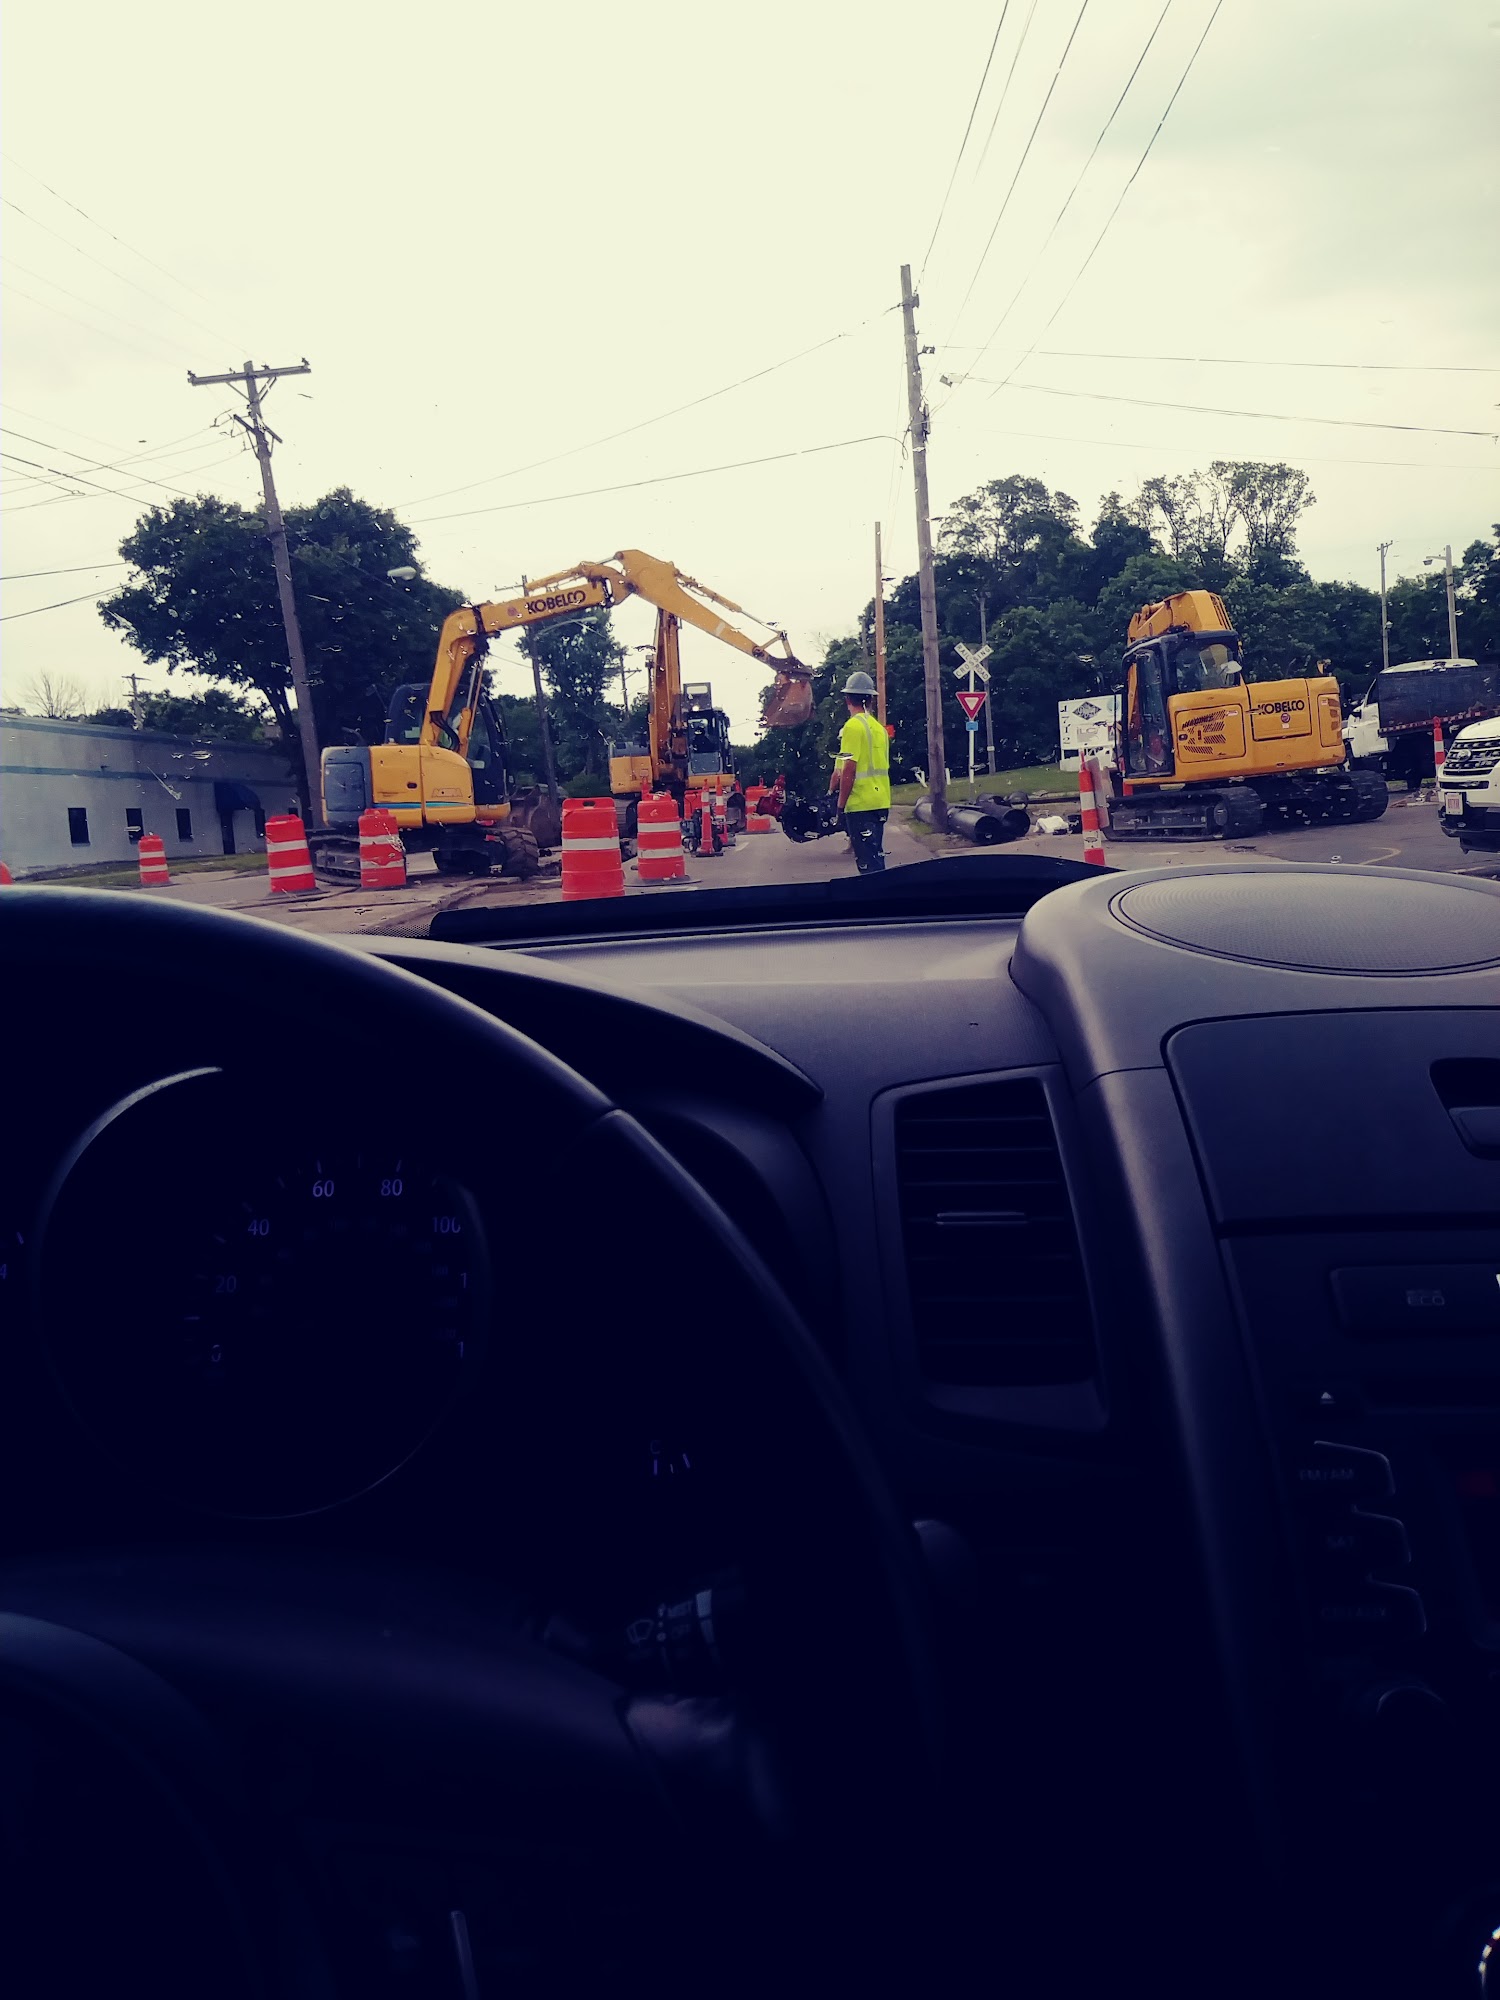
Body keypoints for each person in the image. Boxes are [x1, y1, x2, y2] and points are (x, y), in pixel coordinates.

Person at [829, 670, 891, 873]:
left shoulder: (852, 727)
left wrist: (839, 805)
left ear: (848, 699)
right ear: (871, 700)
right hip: (881, 802)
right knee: (876, 857)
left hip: (860, 805)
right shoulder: (879, 728)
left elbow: (848, 770)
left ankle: (878, 892)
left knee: (867, 865)